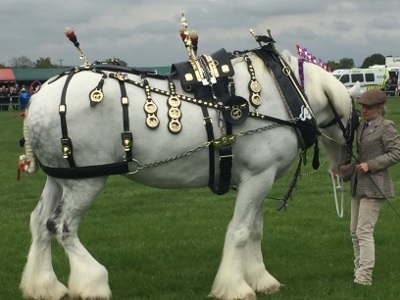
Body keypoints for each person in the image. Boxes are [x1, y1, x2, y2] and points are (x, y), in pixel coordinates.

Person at [339, 89, 400, 286]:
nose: (363, 110)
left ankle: (364, 278)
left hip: (376, 186)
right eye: (362, 106)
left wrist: (371, 165)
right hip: (359, 184)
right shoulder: (361, 128)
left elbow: (396, 153)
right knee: (354, 231)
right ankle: (358, 272)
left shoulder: (387, 127)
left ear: (380, 108)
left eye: (368, 107)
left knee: (364, 231)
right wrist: (343, 173)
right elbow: (360, 159)